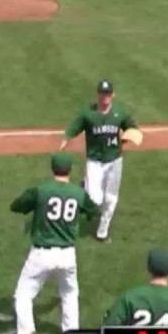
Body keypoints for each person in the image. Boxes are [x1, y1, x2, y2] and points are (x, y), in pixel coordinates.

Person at [11, 153, 99, 334]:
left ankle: (26, 333)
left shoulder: (41, 190)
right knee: (69, 294)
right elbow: (94, 210)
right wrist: (83, 196)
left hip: (41, 254)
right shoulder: (77, 193)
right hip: (67, 255)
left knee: (23, 294)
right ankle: (71, 333)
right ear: (70, 170)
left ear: (53, 169)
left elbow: (17, 206)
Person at [59, 80, 138, 242]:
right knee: (95, 200)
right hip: (94, 161)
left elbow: (132, 128)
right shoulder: (89, 114)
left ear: (113, 95)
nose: (105, 97)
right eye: (102, 94)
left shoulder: (120, 113)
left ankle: (102, 231)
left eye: (108, 94)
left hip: (114, 160)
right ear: (98, 95)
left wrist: (130, 136)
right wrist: (66, 138)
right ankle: (85, 187)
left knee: (110, 199)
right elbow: (75, 126)